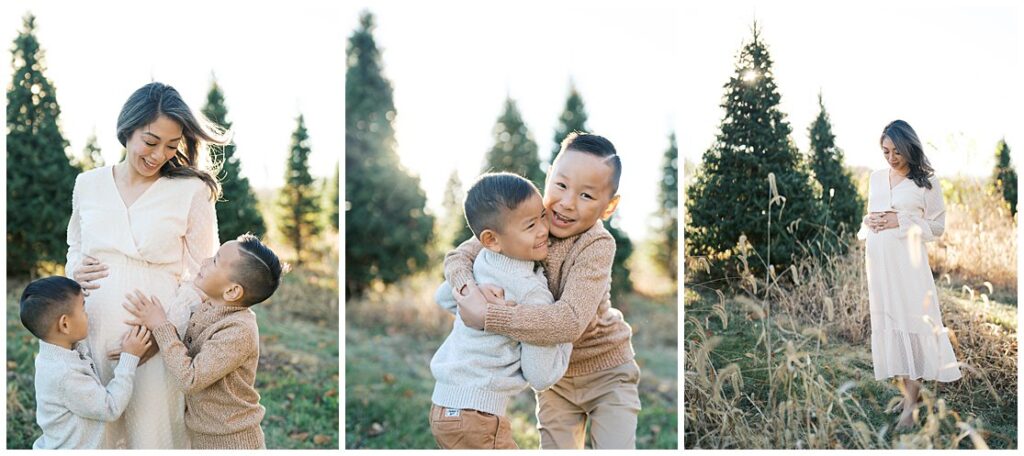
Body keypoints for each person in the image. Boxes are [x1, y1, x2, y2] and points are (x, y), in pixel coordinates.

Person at [445, 132, 640, 449]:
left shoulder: (596, 244)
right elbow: (461, 255)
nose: (566, 203)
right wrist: (469, 291)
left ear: (609, 206)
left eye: (587, 196)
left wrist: (488, 316)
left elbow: (569, 321)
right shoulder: (529, 218)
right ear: (549, 177)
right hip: (555, 379)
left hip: (607, 372)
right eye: (561, 185)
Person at [65, 82, 225, 448]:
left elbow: (204, 275)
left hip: (152, 333)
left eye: (172, 146)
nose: (159, 155)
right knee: (96, 433)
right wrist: (75, 270)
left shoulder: (191, 191)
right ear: (128, 129)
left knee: (151, 433)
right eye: (151, 141)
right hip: (91, 327)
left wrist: (163, 333)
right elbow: (75, 244)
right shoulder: (87, 184)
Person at [429, 173, 572, 449]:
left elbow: (443, 297)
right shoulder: (531, 292)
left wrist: (478, 299)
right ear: (491, 239)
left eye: (543, 216)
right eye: (530, 225)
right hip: (477, 417)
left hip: (443, 408)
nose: (544, 229)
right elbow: (540, 376)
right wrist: (565, 336)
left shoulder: (481, 261)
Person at [123, 234, 285, 449]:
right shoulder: (210, 306)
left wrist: (160, 326)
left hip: (233, 442)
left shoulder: (239, 331)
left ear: (232, 291)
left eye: (215, 261)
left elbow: (190, 379)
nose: (204, 262)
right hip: (203, 438)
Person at [857, 119, 961, 430]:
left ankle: (912, 407)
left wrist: (900, 222)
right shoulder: (876, 179)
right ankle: (906, 396)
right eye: (885, 151)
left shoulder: (925, 184)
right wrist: (870, 221)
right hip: (879, 266)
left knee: (912, 326)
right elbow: (870, 219)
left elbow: (937, 228)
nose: (890, 158)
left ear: (908, 147)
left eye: (895, 151)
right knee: (893, 326)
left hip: (909, 266)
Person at [21, 276, 151, 449]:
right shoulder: (65, 374)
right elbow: (110, 407)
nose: (87, 313)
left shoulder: (56, 351)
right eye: (83, 308)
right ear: (65, 325)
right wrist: (129, 357)